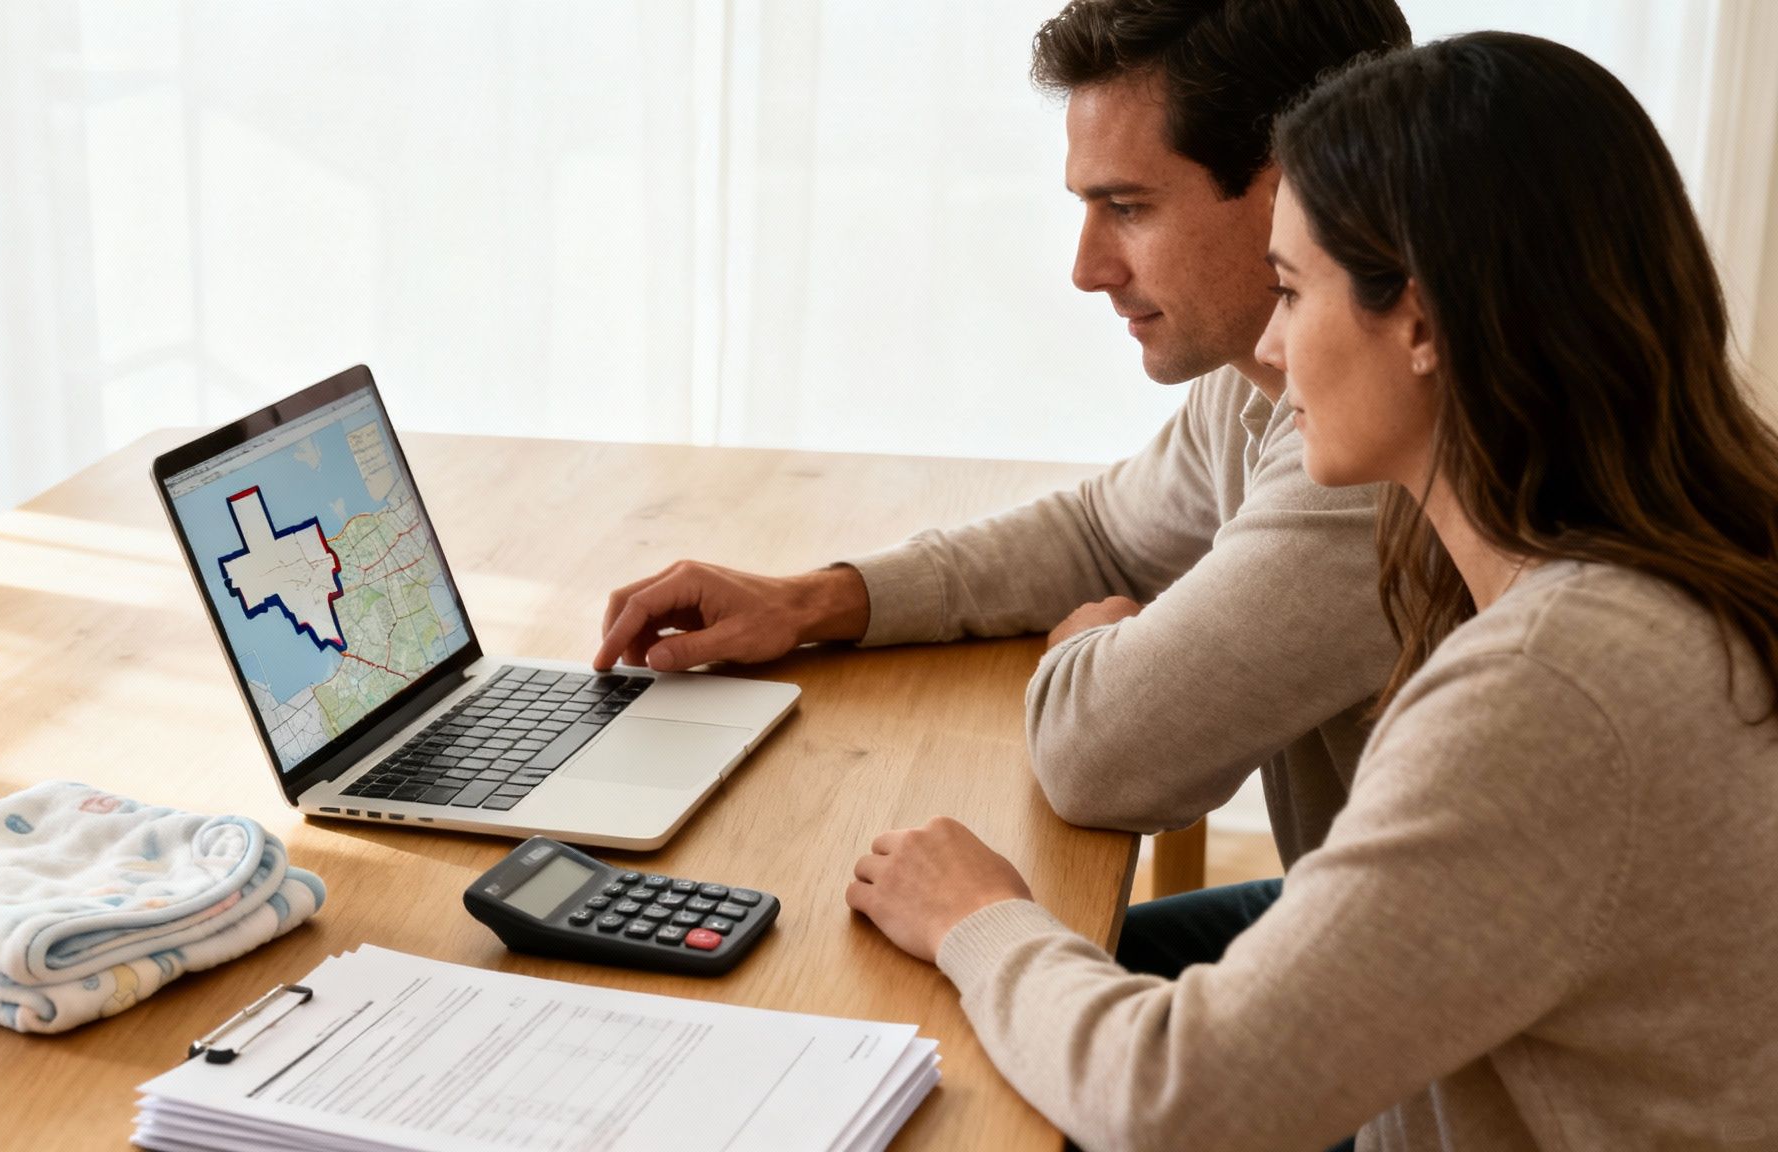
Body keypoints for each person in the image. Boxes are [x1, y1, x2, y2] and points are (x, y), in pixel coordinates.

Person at [846, 31, 1778, 1150]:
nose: (1272, 351)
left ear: (1423, 322)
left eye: (1289, 291)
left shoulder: (1551, 681)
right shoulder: (1635, 560)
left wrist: (978, 917)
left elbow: (1176, 1099)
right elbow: (1104, 524)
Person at [596, 0, 1411, 979]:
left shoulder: (1369, 455)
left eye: (1128, 207)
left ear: (1298, 191)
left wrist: (1090, 651)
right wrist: (811, 600)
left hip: (1456, 1064)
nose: (1085, 268)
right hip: (1375, 929)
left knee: (921, 1002)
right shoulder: (1255, 386)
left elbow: (1101, 759)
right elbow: (1102, 535)